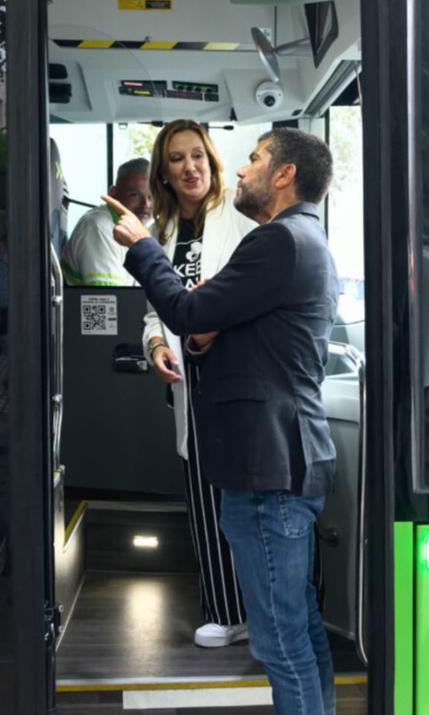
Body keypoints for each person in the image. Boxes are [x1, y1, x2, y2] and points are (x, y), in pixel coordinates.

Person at [105, 127, 339, 715]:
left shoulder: (276, 242)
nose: (240, 170)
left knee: (280, 641)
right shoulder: (302, 239)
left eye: (255, 160)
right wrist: (204, 338)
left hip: (268, 469)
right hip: (284, 460)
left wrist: (140, 245)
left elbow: (186, 311)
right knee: (301, 626)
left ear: (285, 174)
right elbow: (226, 334)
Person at [140, 121, 256, 648]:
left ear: (211, 162)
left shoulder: (242, 224)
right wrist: (155, 347)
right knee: (204, 502)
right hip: (189, 388)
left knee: (242, 501)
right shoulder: (161, 234)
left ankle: (257, 611)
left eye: (197, 157)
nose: (190, 168)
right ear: (163, 173)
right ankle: (225, 609)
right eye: (177, 160)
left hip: (232, 379)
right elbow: (153, 313)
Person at [61, 158, 151, 286]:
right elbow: (111, 299)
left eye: (151, 196)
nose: (146, 204)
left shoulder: (138, 230)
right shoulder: (99, 228)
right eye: (134, 195)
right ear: (112, 194)